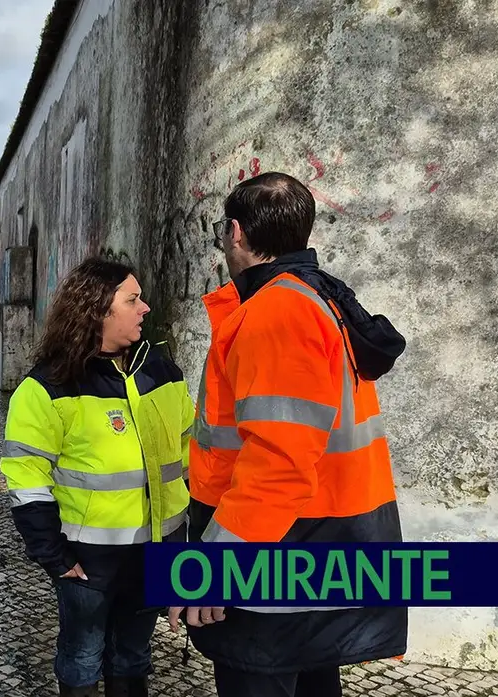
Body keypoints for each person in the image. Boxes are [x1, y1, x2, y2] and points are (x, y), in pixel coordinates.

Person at [169, 171, 409, 697]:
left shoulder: (278, 311)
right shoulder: (317, 301)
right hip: (314, 548)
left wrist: (217, 562)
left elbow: (278, 460)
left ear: (235, 233)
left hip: (272, 560)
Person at [0, 256, 194, 697]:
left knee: (133, 658)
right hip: (88, 564)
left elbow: (189, 459)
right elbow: (26, 477)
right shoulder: (49, 386)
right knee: (82, 658)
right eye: (132, 299)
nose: (145, 308)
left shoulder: (164, 373)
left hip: (158, 555)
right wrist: (54, 555)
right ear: (97, 309)